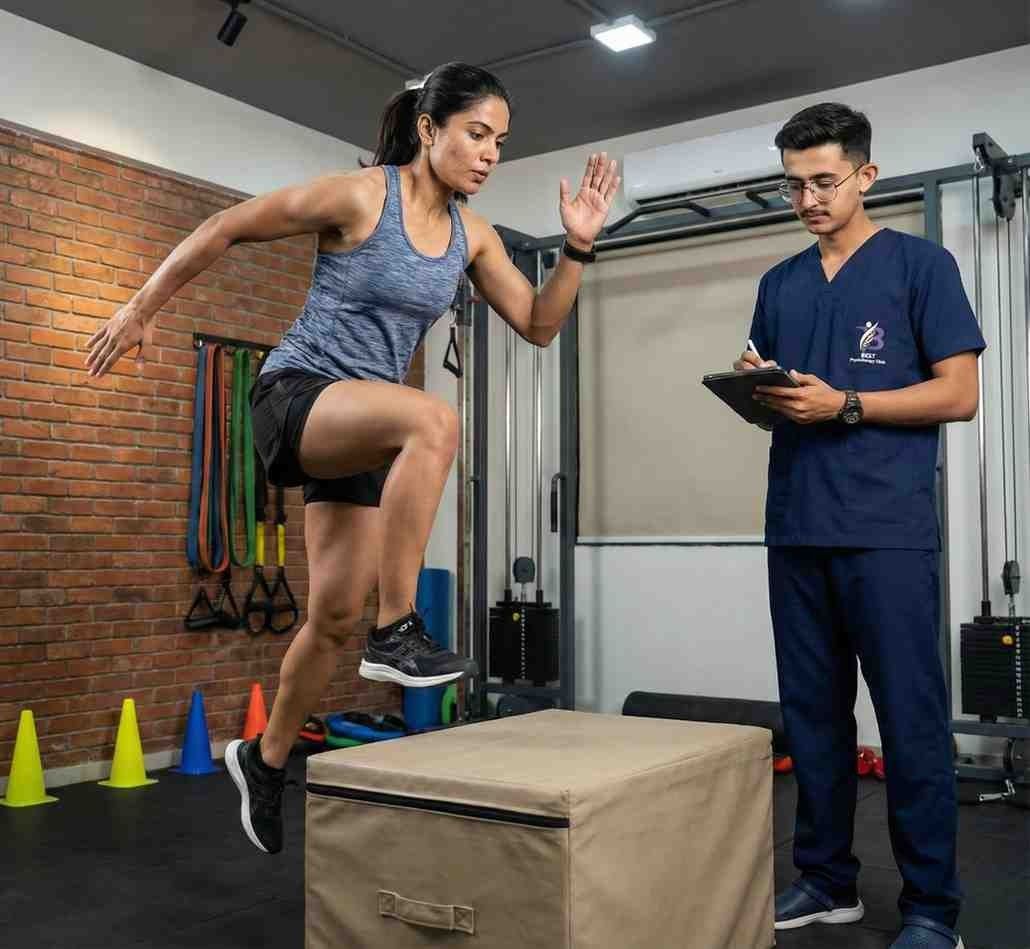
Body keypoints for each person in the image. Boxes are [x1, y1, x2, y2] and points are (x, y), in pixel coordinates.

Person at [85, 62, 620, 854]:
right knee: (434, 420)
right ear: (429, 129)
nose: (489, 154)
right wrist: (139, 308)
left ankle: (265, 759)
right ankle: (397, 624)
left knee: (333, 615)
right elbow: (226, 225)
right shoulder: (362, 196)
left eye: (500, 143)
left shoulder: (471, 236)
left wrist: (577, 245)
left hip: (366, 424)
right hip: (296, 394)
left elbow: (539, 324)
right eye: (477, 134)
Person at [734, 102, 983, 949]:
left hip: (887, 530)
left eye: (823, 181)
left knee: (910, 722)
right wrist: (760, 390)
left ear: (865, 176)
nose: (807, 199)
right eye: (793, 185)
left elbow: (959, 393)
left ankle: (932, 910)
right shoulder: (780, 284)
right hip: (797, 526)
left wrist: (846, 402)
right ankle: (826, 881)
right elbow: (780, 405)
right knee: (813, 720)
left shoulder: (922, 267)